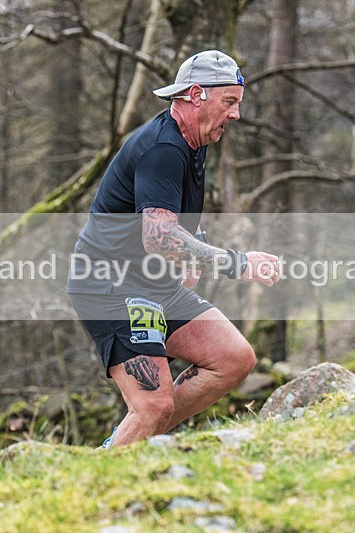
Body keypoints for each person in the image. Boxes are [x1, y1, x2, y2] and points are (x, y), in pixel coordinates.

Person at [67, 50, 280, 448]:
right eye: (229, 102)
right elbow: (158, 236)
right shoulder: (163, 148)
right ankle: (101, 474)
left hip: (153, 284)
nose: (235, 115)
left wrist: (189, 255)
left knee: (233, 359)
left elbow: (170, 212)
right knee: (153, 406)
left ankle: (127, 443)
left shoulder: (194, 140)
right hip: (111, 288)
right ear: (196, 94)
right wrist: (237, 263)